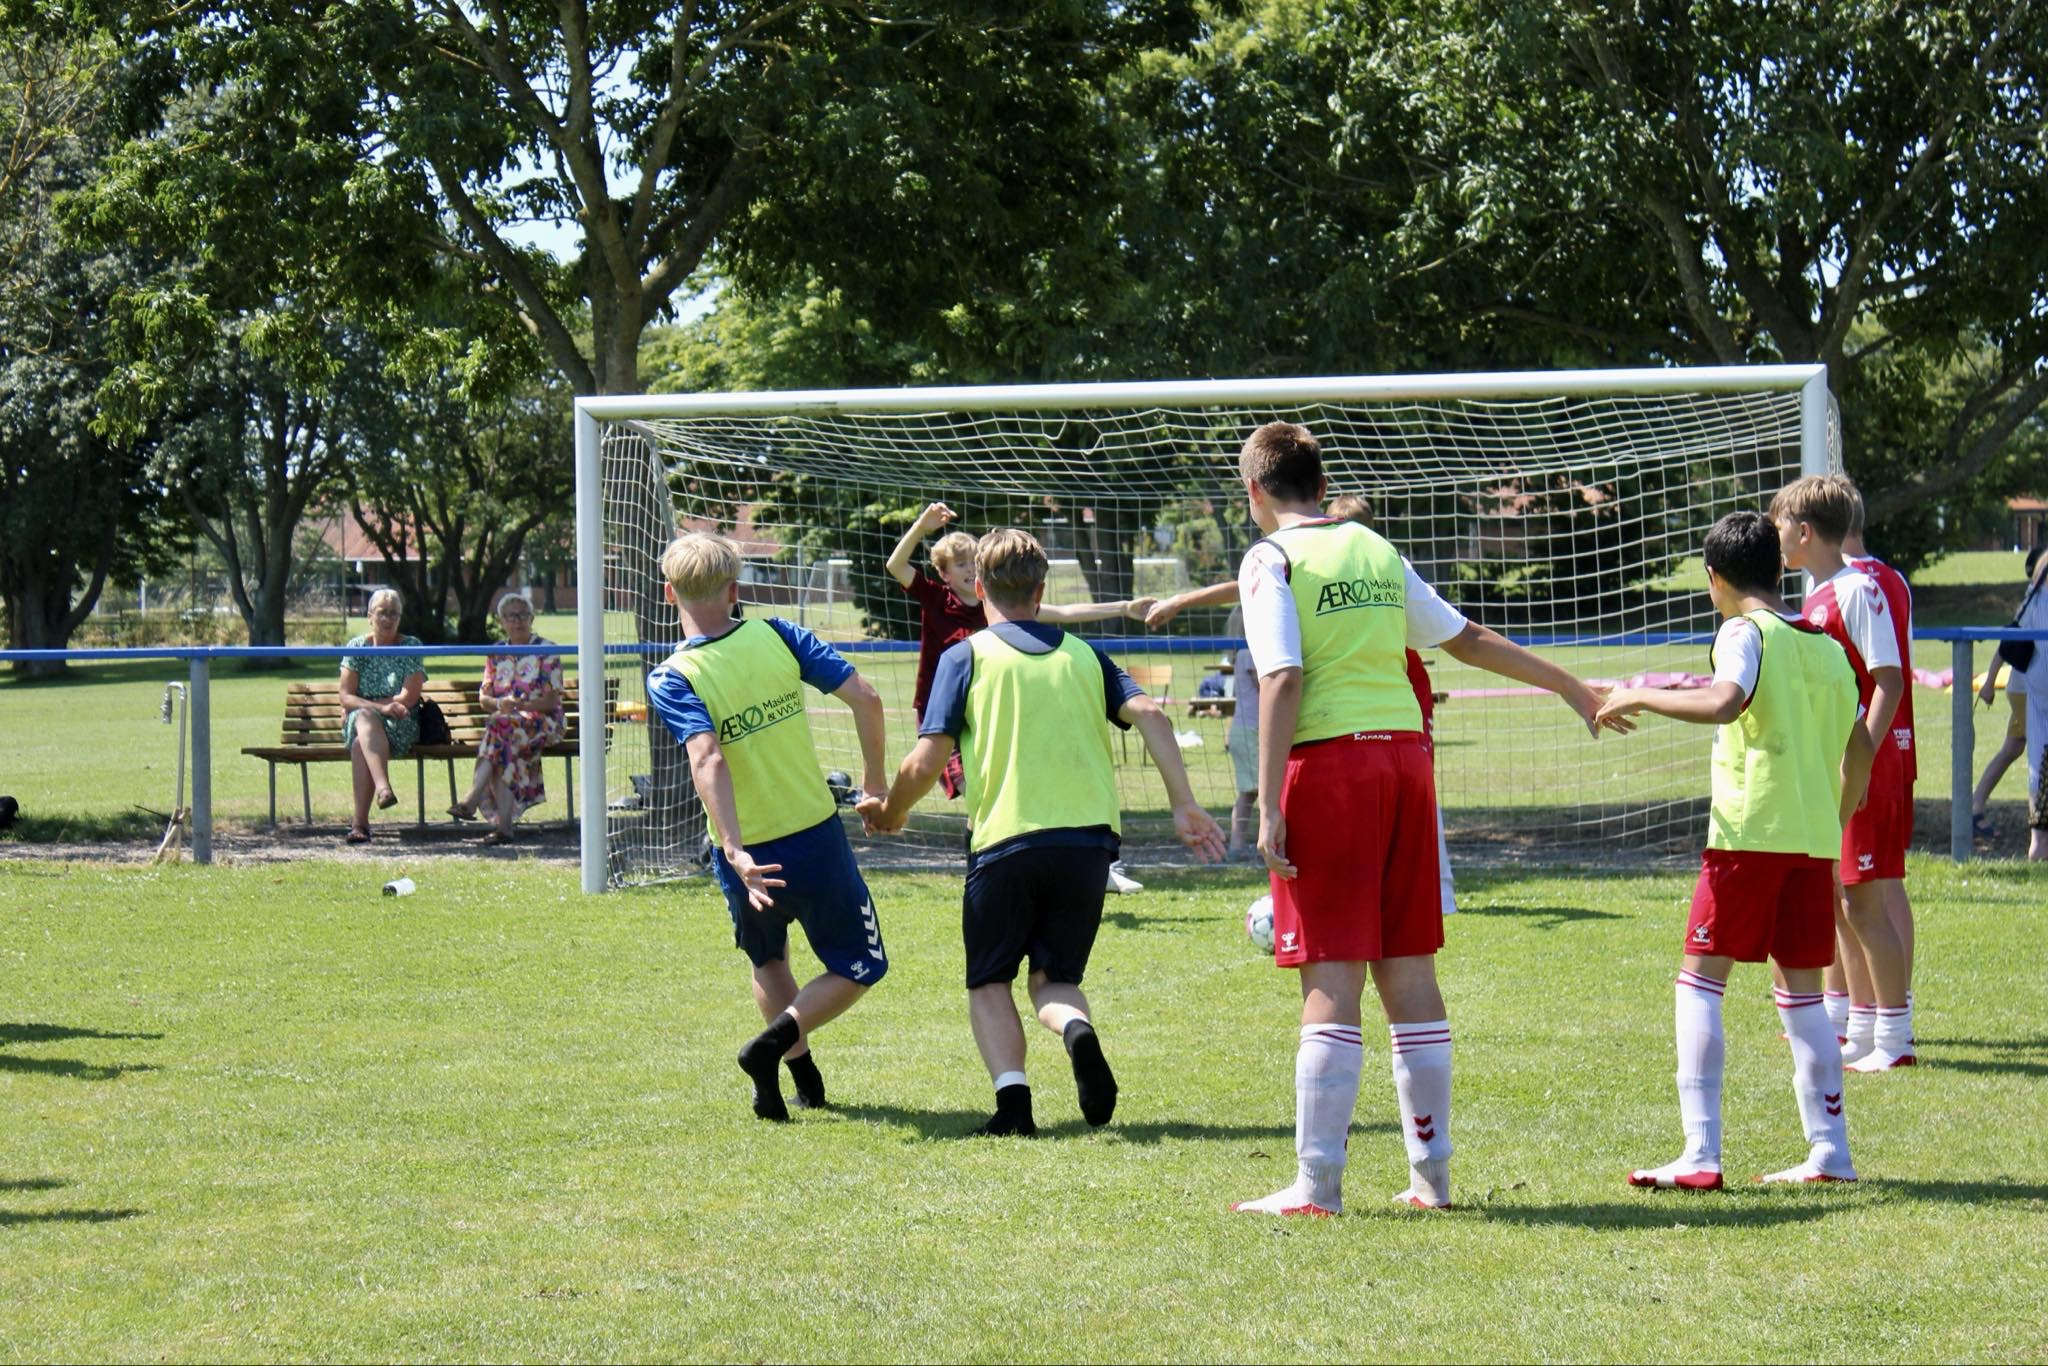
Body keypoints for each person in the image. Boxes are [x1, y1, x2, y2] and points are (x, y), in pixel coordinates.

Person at [1226, 423, 1610, 1217]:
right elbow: (1465, 638)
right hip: (1405, 761)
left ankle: (1316, 1186)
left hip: (1330, 769)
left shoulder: (1270, 558)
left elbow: (1283, 677)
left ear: (1255, 491)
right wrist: (1569, 685)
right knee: (1409, 971)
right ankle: (1432, 1180)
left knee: (1331, 973)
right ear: (1321, 486)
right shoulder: (1374, 547)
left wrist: (1267, 801)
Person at [865, 528, 1227, 1137]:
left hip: (1005, 841)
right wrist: (1183, 803)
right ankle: (1076, 1030)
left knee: (989, 980)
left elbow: (926, 762)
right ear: (1041, 591)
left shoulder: (966, 656)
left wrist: (893, 811)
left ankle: (1014, 1106)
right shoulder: (1085, 656)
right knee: (1054, 981)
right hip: (1088, 846)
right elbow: (1150, 712)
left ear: (980, 589)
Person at [1597, 510, 1873, 1187]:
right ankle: (1831, 1152)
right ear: (1778, 568)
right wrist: (1832, 823)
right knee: (1803, 998)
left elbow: (1725, 701)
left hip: (1749, 836)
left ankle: (1700, 1153)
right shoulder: (1830, 649)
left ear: (1713, 578)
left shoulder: (1743, 632)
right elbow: (1861, 749)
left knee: (1698, 984)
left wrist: (1640, 693)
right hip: (1810, 845)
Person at [646, 532, 893, 1122]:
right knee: (861, 964)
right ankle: (774, 1047)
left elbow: (707, 757)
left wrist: (733, 849)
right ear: (735, 590)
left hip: (745, 854)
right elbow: (867, 697)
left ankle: (801, 1076)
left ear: (669, 594)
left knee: (769, 960)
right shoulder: (779, 634)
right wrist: (875, 785)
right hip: (812, 835)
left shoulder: (671, 676)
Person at [1149, 492, 1457, 913]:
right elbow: (1245, 589)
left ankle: (1436, 891)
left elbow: (1283, 677)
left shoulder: (1374, 564)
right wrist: (1181, 601)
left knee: (1404, 809)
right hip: (1374, 736)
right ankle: (1408, 896)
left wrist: (1271, 806)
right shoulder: (1329, 562)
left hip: (1374, 724)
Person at [883, 500, 1157, 892]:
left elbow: (1065, 613)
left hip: (987, 710)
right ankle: (1006, 868)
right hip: (943, 714)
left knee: (987, 795)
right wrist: (921, 527)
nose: (967, 569)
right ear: (943, 574)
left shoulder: (1002, 607)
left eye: (972, 562)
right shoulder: (936, 599)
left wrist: (1124, 607)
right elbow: (896, 565)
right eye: (959, 564)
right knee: (977, 792)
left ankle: (1061, 865)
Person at [1770, 476, 1914, 1069]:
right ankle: (1861, 1026)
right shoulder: (1817, 595)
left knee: (1864, 904)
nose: (1775, 534)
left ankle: (1895, 1040)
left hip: (1864, 771)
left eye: (1780, 524)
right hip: (1833, 771)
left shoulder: (1858, 590)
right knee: (1841, 900)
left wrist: (1862, 757)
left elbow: (1889, 681)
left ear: (1805, 531)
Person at [1837, 476, 1918, 1032]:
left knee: (1861, 892)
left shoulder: (1849, 586)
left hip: (1868, 748)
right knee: (1883, 884)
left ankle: (1883, 1014)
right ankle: (1873, 1007)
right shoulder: (1895, 580)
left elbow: (1885, 676)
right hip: (1898, 746)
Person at [448, 593, 564, 845]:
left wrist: (520, 706)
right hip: (506, 727)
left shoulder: (547, 650)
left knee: (499, 728)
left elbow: (550, 701)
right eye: (511, 616)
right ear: (502, 621)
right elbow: (484, 698)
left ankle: (472, 797)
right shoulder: (496, 652)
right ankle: (504, 829)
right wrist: (501, 704)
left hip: (544, 722)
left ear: (532, 618)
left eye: (522, 615)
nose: (517, 621)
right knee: (503, 739)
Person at [338, 589, 428, 845]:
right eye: (382, 613)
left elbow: (408, 697)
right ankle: (383, 789)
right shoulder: (357, 647)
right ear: (370, 616)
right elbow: (345, 696)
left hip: (400, 721)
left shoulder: (410, 646)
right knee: (365, 719)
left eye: (394, 614)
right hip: (365, 719)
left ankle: (360, 824)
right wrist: (382, 707)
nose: (388, 619)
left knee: (361, 741)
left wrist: (376, 707)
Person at [1973, 547, 2045, 840]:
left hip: (2023, 689)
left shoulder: (2035, 598)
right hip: (2028, 692)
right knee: (2039, 757)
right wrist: (1989, 682)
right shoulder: (2036, 601)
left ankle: (1974, 807)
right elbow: (2007, 643)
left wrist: (1991, 683)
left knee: (2014, 748)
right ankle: (2039, 829)